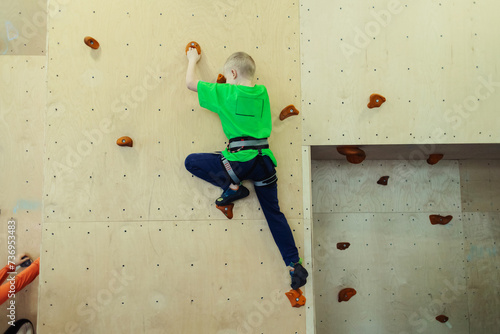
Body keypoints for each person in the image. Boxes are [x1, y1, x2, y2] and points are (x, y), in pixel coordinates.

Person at [184, 47, 308, 289]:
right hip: (265, 163)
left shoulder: (225, 92)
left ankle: (232, 188)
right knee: (274, 214)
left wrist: (192, 59)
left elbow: (190, 83)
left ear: (232, 73)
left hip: (239, 164)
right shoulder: (263, 93)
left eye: (227, 75)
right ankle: (294, 264)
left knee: (192, 161)